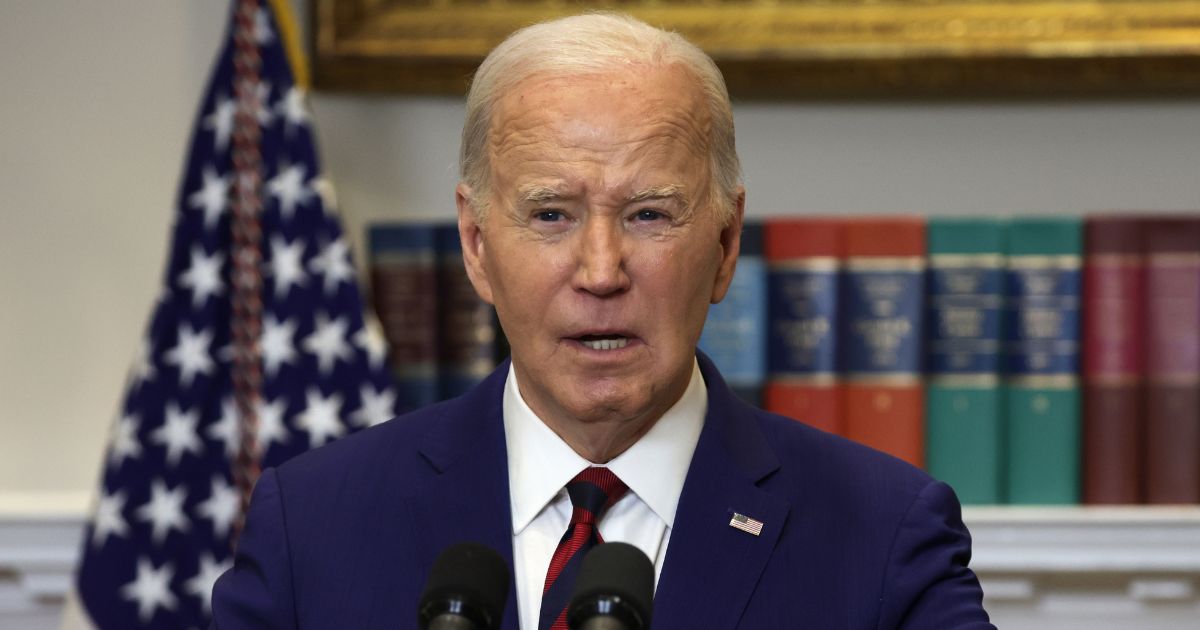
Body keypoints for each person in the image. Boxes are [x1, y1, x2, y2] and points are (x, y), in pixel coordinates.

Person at [212, 12, 993, 629]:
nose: (600, 271)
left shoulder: (883, 537)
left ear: (724, 246)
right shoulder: (313, 528)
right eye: (550, 214)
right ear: (477, 246)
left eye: (650, 215)